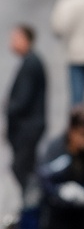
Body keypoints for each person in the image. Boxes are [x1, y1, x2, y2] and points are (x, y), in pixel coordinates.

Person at [5, 25, 46, 191]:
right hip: (28, 127)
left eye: (15, 39)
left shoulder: (31, 64)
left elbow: (22, 100)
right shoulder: (30, 61)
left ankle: (29, 209)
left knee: (22, 171)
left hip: (27, 127)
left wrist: (9, 108)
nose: (11, 43)